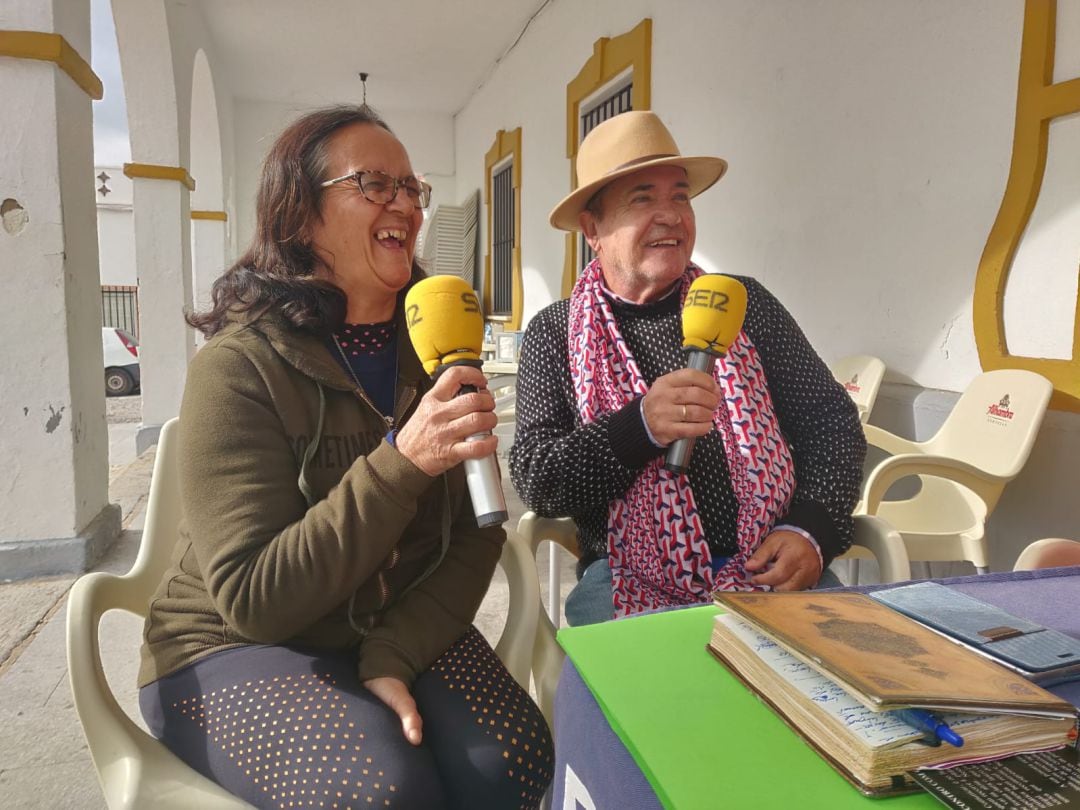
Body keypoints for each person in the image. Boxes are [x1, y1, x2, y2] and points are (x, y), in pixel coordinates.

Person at [137, 105, 552, 809]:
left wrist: (393, 655)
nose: (406, 206)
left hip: (385, 622)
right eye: (374, 184)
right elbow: (253, 599)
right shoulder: (239, 368)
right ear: (300, 216)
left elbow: (478, 534)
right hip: (230, 645)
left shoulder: (438, 354)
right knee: (381, 791)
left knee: (512, 761)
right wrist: (402, 463)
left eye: (410, 188)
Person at [510, 110, 867, 625]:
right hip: (625, 581)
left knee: (844, 701)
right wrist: (641, 427)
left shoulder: (745, 305)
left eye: (680, 196)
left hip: (770, 571)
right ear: (593, 228)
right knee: (636, 706)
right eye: (642, 199)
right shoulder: (555, 332)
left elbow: (831, 424)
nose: (671, 216)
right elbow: (538, 479)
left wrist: (812, 529)